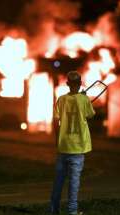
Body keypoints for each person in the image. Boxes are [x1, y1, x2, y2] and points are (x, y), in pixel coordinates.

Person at [50, 71, 95, 215]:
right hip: (78, 146)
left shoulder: (61, 99)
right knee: (74, 182)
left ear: (67, 84)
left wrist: (57, 139)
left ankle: (53, 210)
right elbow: (90, 115)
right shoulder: (84, 100)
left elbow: (56, 120)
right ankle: (72, 211)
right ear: (80, 84)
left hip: (63, 146)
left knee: (58, 181)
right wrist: (84, 98)